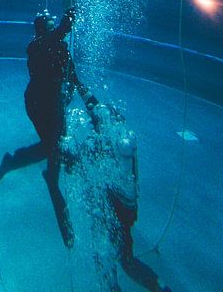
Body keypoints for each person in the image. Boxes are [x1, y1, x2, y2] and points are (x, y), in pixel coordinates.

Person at [0, 7, 98, 249]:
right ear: (41, 30)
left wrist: (87, 99)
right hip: (39, 103)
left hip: (55, 103)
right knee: (53, 146)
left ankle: (21, 164)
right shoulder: (36, 46)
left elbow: (72, 75)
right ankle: (50, 176)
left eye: (54, 26)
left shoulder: (60, 48)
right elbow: (55, 37)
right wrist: (68, 20)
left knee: (52, 146)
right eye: (50, 26)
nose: (54, 29)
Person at [65, 103, 173, 292]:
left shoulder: (104, 145)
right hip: (121, 210)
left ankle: (144, 288)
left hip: (112, 211)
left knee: (110, 259)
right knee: (123, 259)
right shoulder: (117, 146)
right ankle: (159, 288)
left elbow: (75, 166)